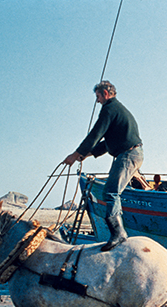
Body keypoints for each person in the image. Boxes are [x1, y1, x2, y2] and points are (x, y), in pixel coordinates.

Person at [63, 81, 143, 251]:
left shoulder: (109, 108)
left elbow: (95, 134)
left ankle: (118, 234)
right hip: (131, 153)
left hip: (128, 154)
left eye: (98, 96)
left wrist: (75, 154)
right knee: (112, 191)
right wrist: (84, 155)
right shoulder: (116, 110)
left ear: (106, 93)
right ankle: (118, 231)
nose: (97, 101)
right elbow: (107, 143)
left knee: (111, 192)